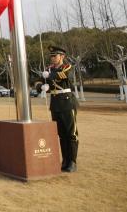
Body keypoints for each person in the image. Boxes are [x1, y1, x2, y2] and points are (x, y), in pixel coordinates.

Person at [42, 45, 79, 173]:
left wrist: (49, 75)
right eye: (51, 56)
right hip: (55, 103)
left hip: (66, 102)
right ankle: (65, 161)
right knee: (61, 134)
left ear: (62, 56)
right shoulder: (48, 69)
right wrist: (40, 86)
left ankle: (72, 161)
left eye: (55, 56)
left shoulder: (66, 67)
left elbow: (61, 75)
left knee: (71, 133)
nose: (52, 58)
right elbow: (39, 80)